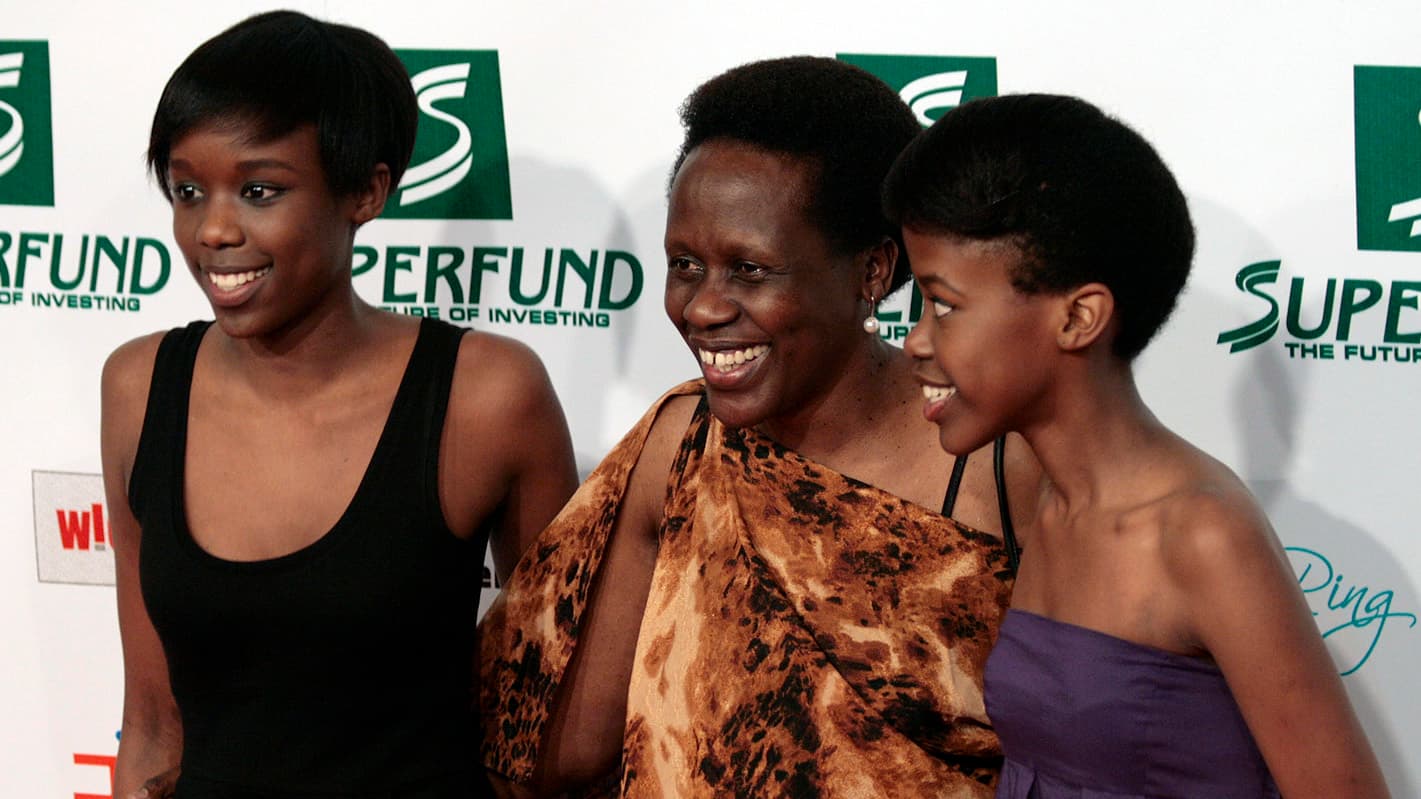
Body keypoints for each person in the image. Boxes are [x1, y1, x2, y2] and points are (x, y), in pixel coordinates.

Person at [479, 57, 1038, 798]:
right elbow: (559, 746)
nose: (703, 307)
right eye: (684, 264)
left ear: (872, 270)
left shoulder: (1000, 463)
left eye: (748, 270)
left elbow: (1097, 748)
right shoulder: (680, 443)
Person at [102, 11, 578, 798]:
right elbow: (152, 721)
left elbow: (546, 719)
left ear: (365, 191)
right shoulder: (138, 385)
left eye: (259, 190)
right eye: (188, 190)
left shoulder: (485, 395)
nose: (213, 229)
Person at [884, 93, 1392, 798]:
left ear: (1078, 317)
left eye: (942, 305)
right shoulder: (1053, 505)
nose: (913, 340)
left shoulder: (1200, 532)